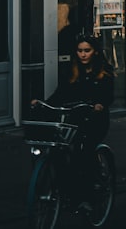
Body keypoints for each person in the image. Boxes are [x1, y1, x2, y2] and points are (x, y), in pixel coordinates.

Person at [31, 33, 114, 203]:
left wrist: (100, 104)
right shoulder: (71, 71)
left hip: (95, 120)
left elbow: (108, 95)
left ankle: (89, 190)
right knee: (59, 150)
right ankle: (66, 187)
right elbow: (60, 94)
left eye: (87, 50)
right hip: (75, 118)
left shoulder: (103, 72)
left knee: (83, 152)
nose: (83, 54)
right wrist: (43, 103)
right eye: (79, 51)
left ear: (95, 52)